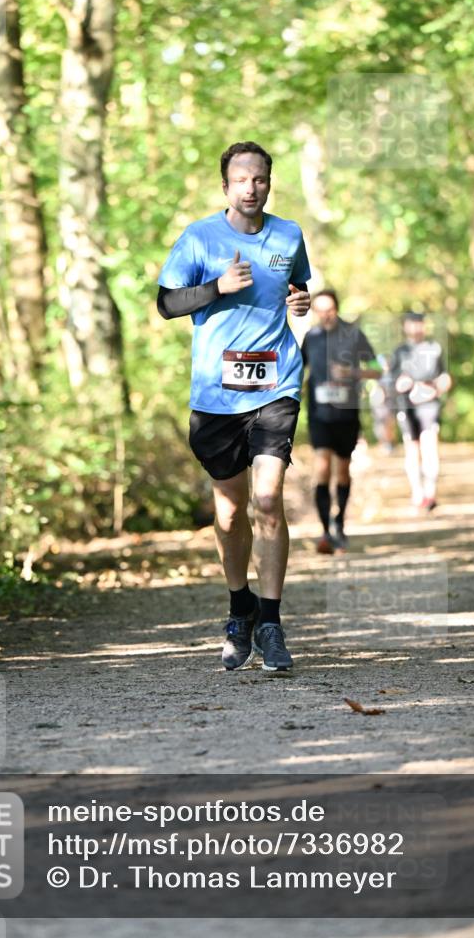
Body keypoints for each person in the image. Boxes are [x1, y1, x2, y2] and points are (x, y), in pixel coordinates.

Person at [157, 141, 311, 673]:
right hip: (216, 395)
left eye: (260, 179)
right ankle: (238, 606)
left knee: (267, 500)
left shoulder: (288, 234)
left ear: (270, 183)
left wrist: (301, 300)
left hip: (276, 384)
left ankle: (270, 622)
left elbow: (298, 285)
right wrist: (217, 287)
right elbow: (166, 303)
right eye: (241, 179)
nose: (251, 187)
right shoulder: (200, 238)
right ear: (226, 186)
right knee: (228, 512)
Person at [301, 290, 381, 554]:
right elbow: (298, 369)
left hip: (346, 414)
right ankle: (325, 532)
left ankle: (340, 523)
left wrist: (352, 372)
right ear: (314, 312)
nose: (325, 315)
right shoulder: (310, 337)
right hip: (318, 414)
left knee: (343, 471)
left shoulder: (354, 334)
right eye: (320, 310)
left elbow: (378, 369)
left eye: (330, 309)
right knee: (322, 467)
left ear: (337, 309)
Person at [389, 312, 451, 512]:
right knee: (412, 448)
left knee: (429, 444)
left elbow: (445, 377)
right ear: (405, 327)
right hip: (406, 406)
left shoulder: (435, 348)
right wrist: (399, 384)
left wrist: (438, 388)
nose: (416, 328)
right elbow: (390, 381)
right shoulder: (399, 352)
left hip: (429, 405)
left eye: (419, 324)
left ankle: (430, 492)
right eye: (411, 324)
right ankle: (417, 492)